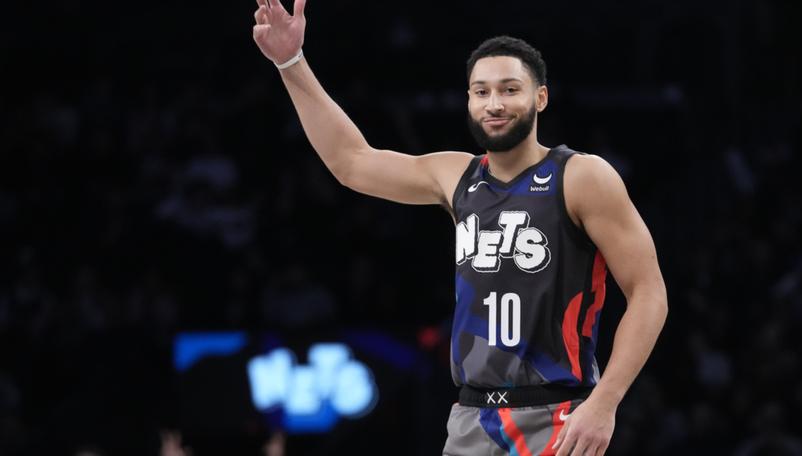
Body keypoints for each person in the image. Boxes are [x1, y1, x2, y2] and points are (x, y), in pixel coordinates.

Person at [252, 1, 668, 455]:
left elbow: (649, 293)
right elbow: (351, 162)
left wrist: (605, 401)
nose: (495, 103)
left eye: (510, 90)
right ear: (469, 100)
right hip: (470, 420)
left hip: (558, 416)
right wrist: (290, 62)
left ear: (541, 98)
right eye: (481, 91)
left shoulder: (583, 176)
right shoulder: (457, 176)